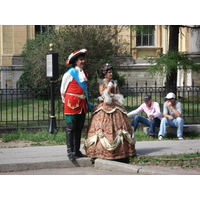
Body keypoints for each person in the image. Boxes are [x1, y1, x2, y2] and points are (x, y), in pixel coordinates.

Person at [84, 63, 136, 161]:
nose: (111, 74)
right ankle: (99, 151)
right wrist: (108, 88)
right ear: (105, 73)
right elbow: (103, 94)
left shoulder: (114, 83)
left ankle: (122, 152)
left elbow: (118, 94)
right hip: (104, 107)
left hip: (115, 106)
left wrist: (114, 95)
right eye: (109, 72)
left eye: (111, 72)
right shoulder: (102, 83)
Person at [60, 49, 93, 161]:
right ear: (75, 62)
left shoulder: (85, 74)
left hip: (82, 105)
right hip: (71, 104)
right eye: (80, 59)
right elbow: (62, 91)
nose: (83, 61)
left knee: (79, 128)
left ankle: (77, 151)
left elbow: (85, 90)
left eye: (83, 59)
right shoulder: (69, 74)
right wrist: (68, 103)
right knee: (70, 129)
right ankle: (70, 152)